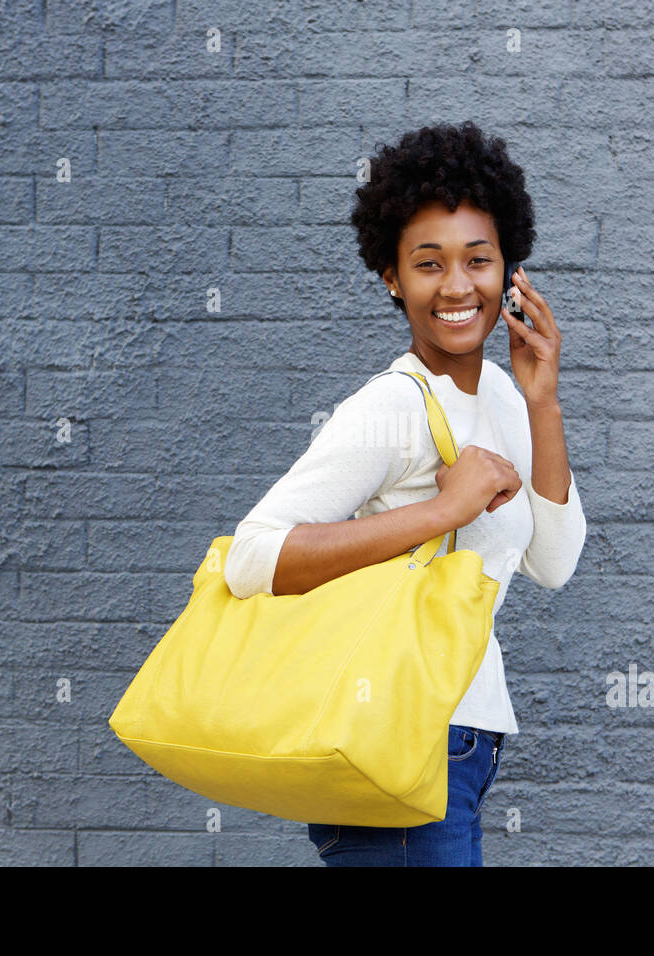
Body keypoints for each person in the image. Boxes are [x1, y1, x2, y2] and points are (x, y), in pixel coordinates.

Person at [224, 121, 586, 866]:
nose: (457, 286)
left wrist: (544, 402)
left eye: (478, 261)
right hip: (403, 736)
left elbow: (553, 563)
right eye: (429, 264)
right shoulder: (392, 407)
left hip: (465, 746)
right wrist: (443, 512)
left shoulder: (508, 399)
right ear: (392, 276)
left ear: (508, 269)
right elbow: (250, 558)